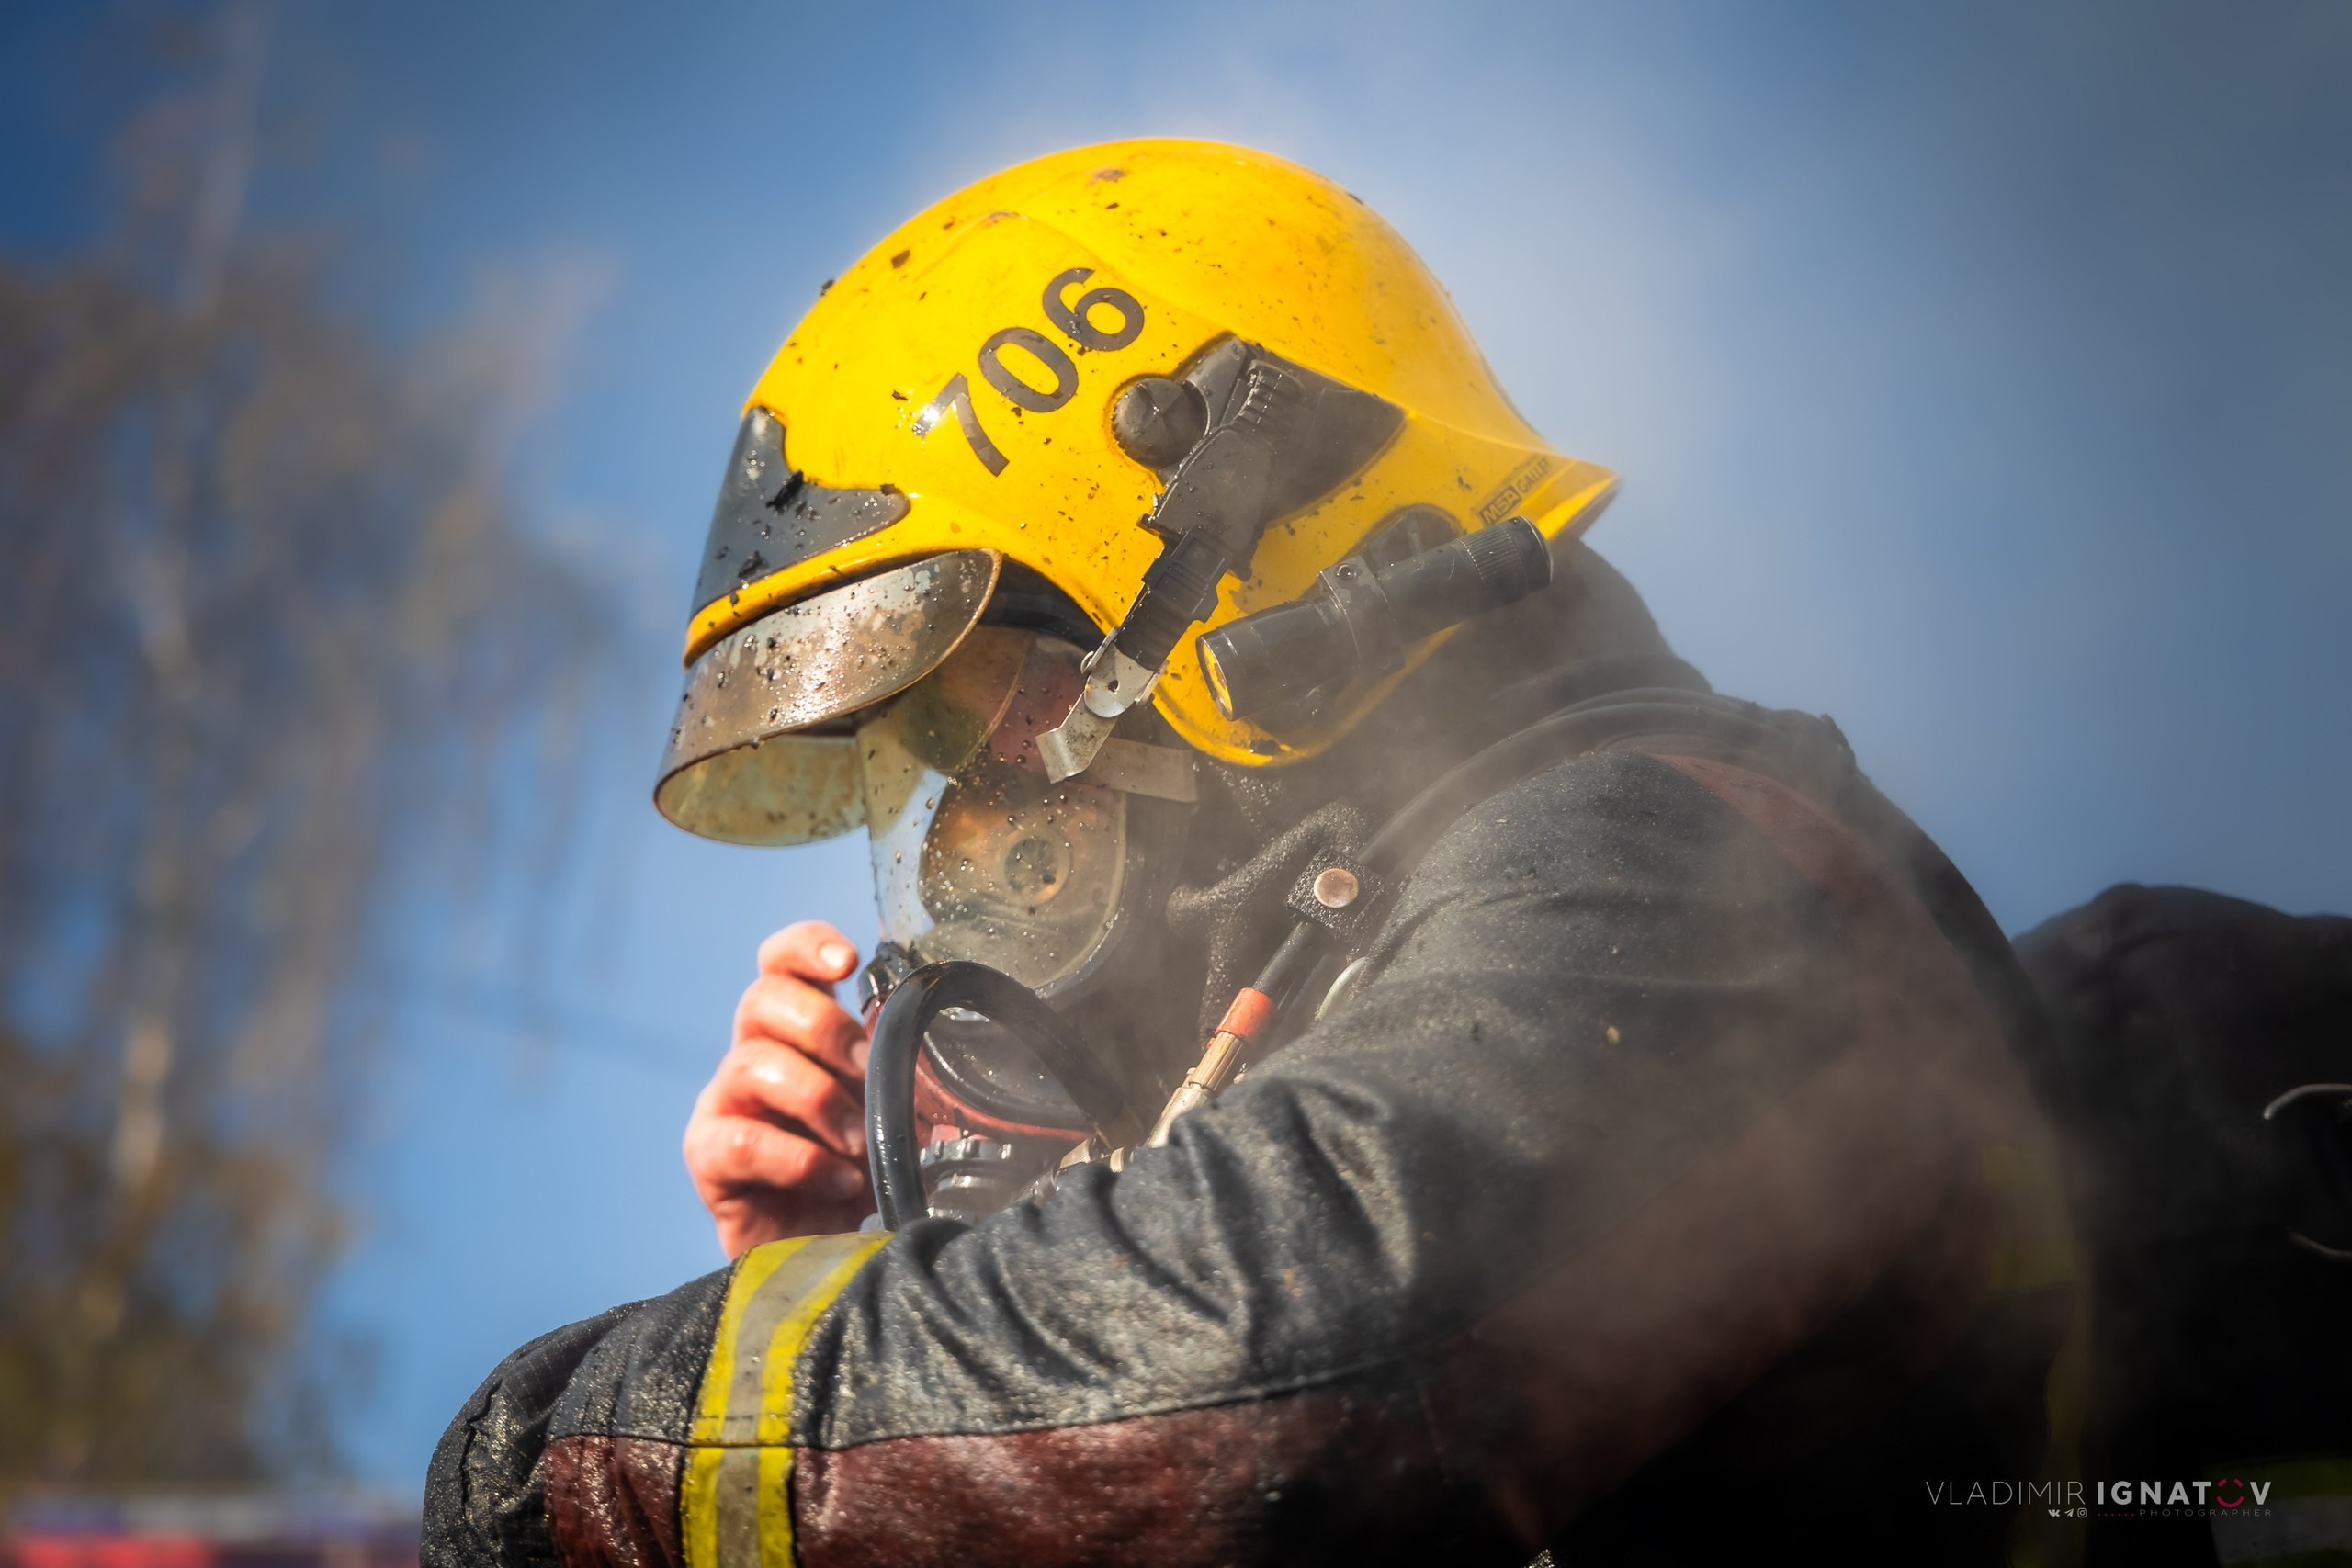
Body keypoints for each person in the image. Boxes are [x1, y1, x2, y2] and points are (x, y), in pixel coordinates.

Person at [424, 140, 2081, 1568]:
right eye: (920, 766)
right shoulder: (1365, 981)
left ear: (1276, 573)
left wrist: (600, 1446)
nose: (979, 829)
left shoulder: (1692, 873)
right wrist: (866, 1284)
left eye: (1004, 708)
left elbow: (1269, 1351)